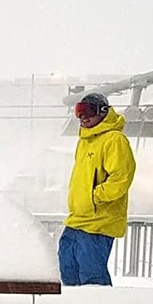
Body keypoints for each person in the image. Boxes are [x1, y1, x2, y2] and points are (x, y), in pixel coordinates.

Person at [58, 92, 136, 286]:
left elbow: (121, 178)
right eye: (79, 111)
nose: (83, 116)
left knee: (91, 275)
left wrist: (94, 197)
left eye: (88, 111)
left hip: (99, 221)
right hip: (78, 218)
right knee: (67, 268)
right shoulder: (85, 141)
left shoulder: (114, 140)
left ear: (103, 112)